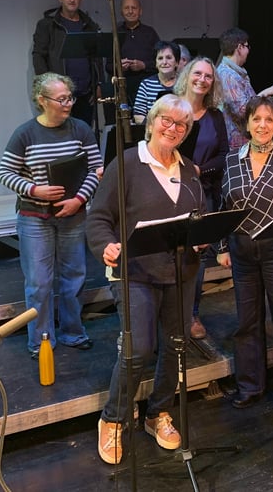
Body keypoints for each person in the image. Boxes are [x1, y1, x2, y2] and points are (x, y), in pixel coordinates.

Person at [86, 94, 204, 465]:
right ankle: (114, 419)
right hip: (135, 272)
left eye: (181, 124)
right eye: (167, 120)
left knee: (176, 346)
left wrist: (201, 237)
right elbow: (98, 217)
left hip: (180, 272)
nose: (173, 128)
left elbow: (198, 216)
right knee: (138, 350)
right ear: (151, 122)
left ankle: (157, 413)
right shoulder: (126, 165)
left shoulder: (189, 170)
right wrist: (105, 245)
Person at [0, 73, 102, 359]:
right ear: (42, 100)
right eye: (61, 99)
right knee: (39, 283)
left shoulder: (80, 129)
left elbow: (96, 170)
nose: (68, 104)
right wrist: (34, 189)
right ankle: (41, 341)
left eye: (70, 98)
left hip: (73, 215)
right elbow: (5, 173)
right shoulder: (25, 133)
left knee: (74, 277)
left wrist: (79, 200)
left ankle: (73, 332)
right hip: (35, 217)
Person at [216, 95, 273, 408]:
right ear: (247, 123)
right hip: (242, 252)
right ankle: (250, 387)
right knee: (247, 324)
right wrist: (222, 247)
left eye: (269, 119)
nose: (262, 125)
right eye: (257, 119)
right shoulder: (232, 160)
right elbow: (224, 208)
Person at [173, 56, 229, 339]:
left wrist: (199, 169)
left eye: (208, 76)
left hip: (202, 191)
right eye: (198, 73)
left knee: (198, 255)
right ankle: (169, 314)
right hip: (169, 190)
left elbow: (224, 155)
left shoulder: (215, 116)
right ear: (187, 75)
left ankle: (191, 314)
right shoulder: (170, 106)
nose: (202, 80)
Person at [32, 0, 101, 129]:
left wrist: (98, 84)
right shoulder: (47, 25)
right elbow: (38, 56)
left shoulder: (89, 25)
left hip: (85, 94)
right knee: (59, 134)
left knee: (83, 134)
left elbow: (96, 58)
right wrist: (46, 87)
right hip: (58, 97)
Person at [215, 28, 273, 149]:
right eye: (247, 46)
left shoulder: (235, 73)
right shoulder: (227, 75)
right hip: (237, 144)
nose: (248, 51)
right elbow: (243, 110)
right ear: (239, 48)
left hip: (243, 141)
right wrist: (265, 93)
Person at [106, 0, 160, 106]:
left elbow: (161, 63)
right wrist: (119, 67)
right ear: (121, 12)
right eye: (127, 8)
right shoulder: (115, 34)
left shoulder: (150, 33)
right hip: (122, 90)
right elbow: (108, 66)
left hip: (147, 89)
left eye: (134, 8)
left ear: (140, 11)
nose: (130, 11)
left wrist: (144, 65)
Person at [132, 40, 180, 123]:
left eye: (169, 58)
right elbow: (138, 116)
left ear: (177, 62)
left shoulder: (185, 83)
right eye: (160, 58)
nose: (164, 62)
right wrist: (156, 126)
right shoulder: (146, 84)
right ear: (156, 64)